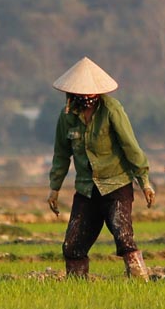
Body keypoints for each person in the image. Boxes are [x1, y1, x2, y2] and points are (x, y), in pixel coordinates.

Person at [47, 57, 156, 280]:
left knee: (123, 237)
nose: (85, 98)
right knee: (72, 245)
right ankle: (76, 288)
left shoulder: (111, 110)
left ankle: (140, 282)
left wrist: (144, 182)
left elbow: (131, 147)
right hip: (87, 188)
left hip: (116, 184)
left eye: (89, 94)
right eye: (80, 94)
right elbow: (61, 155)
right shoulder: (67, 117)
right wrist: (54, 189)